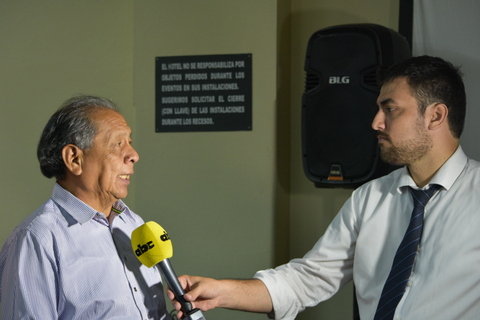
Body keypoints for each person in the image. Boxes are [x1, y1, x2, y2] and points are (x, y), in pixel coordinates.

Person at [168, 55, 480, 320]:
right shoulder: (369, 200)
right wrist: (222, 292)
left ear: (436, 116)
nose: (375, 122)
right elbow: (308, 279)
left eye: (390, 109)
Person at [0, 96, 171, 320]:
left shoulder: (133, 224)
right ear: (74, 159)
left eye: (130, 142)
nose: (134, 155)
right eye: (118, 144)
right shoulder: (36, 240)